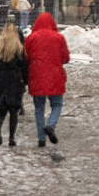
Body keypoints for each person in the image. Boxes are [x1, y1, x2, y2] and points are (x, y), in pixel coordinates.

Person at [24, 11, 70, 149]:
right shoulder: (59, 38)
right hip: (55, 76)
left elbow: (26, 58)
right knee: (57, 104)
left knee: (39, 108)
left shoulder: (31, 38)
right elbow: (66, 58)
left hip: (37, 76)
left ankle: (41, 139)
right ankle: (50, 125)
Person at [0, 22, 28, 147]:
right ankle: (11, 138)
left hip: (1, 79)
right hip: (15, 80)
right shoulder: (18, 47)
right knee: (13, 110)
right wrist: (25, 80)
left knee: (2, 108)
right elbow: (24, 66)